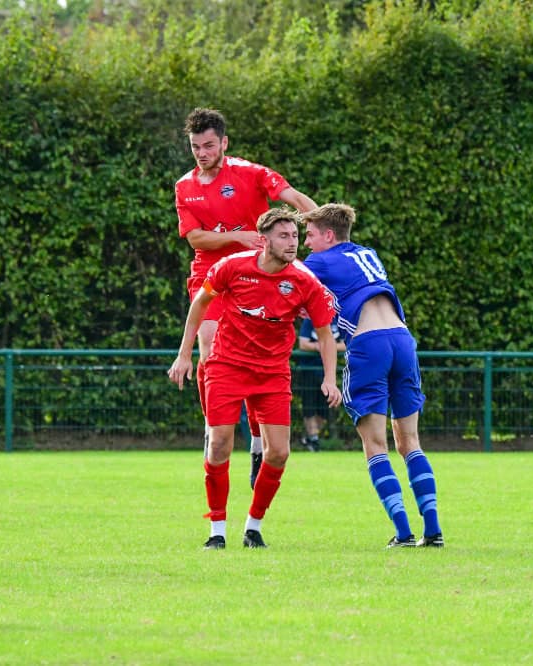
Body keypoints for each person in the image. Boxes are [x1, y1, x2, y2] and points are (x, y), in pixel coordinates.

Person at [168, 208, 341, 550]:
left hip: (272, 373)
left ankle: (253, 528)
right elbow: (200, 304)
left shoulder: (304, 280)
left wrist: (330, 379)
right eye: (284, 236)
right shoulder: (232, 266)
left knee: (279, 453)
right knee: (219, 444)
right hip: (227, 366)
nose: (292, 243)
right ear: (264, 240)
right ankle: (217, 531)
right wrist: (184, 354)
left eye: (295, 236)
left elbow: (324, 333)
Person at [175, 107, 318, 489]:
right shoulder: (184, 186)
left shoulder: (250, 173)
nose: (202, 153)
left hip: (257, 275)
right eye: (195, 147)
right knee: (209, 347)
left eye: (209, 145)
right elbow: (196, 238)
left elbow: (291, 196)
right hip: (211, 273)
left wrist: (324, 227)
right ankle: (213, 427)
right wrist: (237, 237)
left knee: (258, 358)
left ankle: (257, 444)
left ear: (224, 142)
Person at [301, 203, 444, 548]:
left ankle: (404, 533)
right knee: (410, 442)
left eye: (309, 235)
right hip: (402, 340)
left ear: (329, 235)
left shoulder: (319, 261)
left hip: (369, 343)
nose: (304, 243)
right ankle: (434, 531)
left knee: (375, 444)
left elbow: (283, 277)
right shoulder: (367, 253)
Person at [296, 315, 345, 452]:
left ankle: (310, 436)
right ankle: (314, 439)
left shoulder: (339, 320)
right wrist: (320, 346)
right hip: (309, 370)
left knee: (324, 410)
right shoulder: (310, 320)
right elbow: (303, 344)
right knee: (309, 406)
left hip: (327, 372)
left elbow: (345, 344)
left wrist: (327, 345)